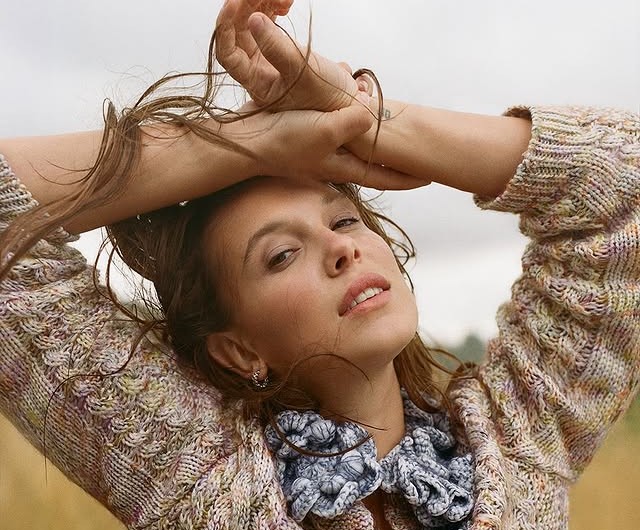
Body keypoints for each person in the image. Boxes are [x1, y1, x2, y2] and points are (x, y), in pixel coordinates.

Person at [1, 0, 639, 528]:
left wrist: (366, 121)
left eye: (344, 220)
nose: (341, 249)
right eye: (281, 255)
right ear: (237, 350)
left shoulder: (519, 444)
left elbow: (624, 184)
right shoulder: (200, 480)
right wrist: (242, 144)